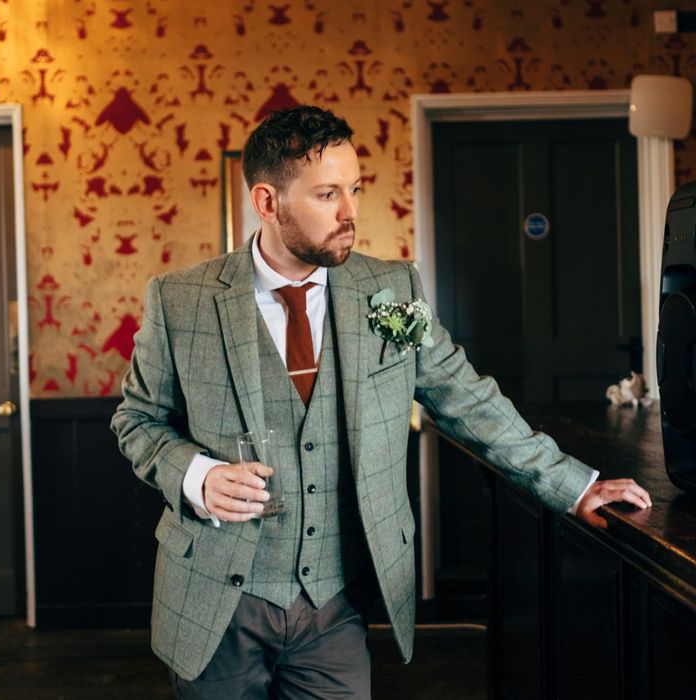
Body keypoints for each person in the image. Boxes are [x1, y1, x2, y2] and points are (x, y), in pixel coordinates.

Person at [111, 105, 651, 699]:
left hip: (335, 607)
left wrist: (572, 486)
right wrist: (197, 474)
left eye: (355, 189)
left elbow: (465, 398)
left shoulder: (390, 290)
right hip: (213, 600)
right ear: (267, 202)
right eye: (326, 194)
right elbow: (137, 420)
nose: (350, 213)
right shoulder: (181, 301)